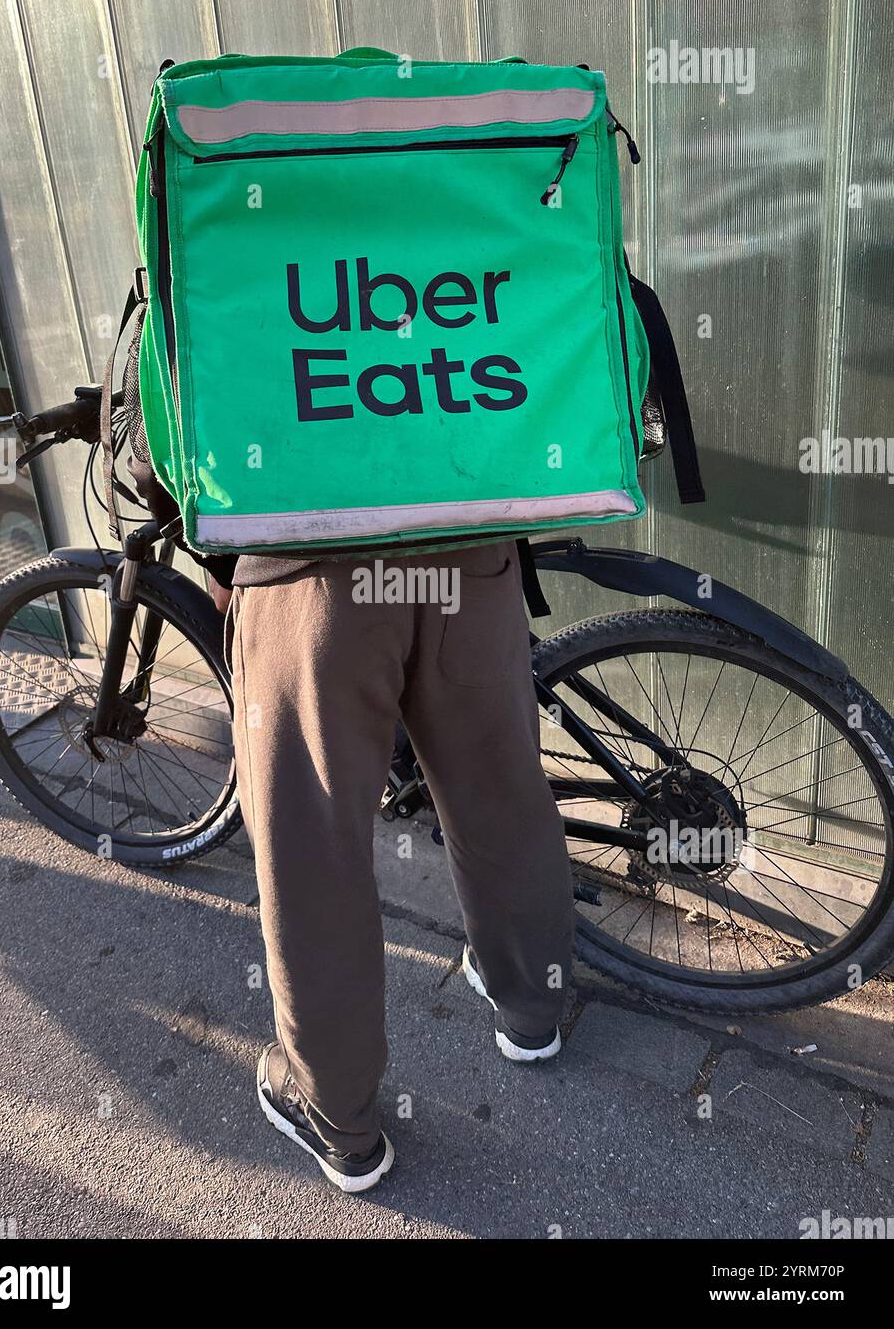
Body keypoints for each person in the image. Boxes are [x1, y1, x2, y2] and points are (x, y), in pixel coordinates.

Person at [130, 457, 574, 1195]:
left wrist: (215, 549)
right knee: (502, 797)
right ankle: (531, 1007)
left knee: (315, 850)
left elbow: (166, 440)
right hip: (468, 551)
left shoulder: (218, 326)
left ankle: (338, 1120)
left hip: (307, 571)